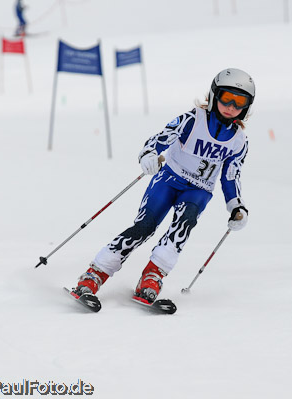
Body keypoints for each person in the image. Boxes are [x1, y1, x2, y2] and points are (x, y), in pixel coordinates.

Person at [70, 68, 254, 305]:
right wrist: (149, 154)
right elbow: (162, 137)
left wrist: (236, 206)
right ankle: (94, 274)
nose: (231, 106)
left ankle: (152, 276)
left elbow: (231, 175)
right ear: (214, 94)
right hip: (168, 179)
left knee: (183, 226)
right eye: (226, 97)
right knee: (144, 227)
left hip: (198, 189)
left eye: (240, 102)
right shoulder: (192, 119)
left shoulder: (239, 141)